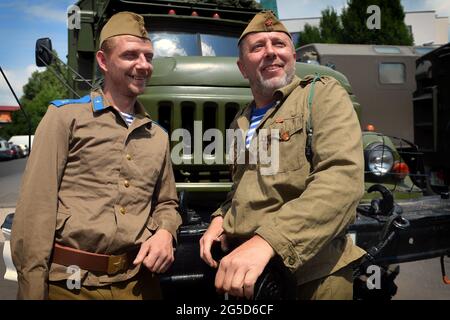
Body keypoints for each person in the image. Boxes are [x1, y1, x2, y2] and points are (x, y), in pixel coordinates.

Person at [11, 11, 182, 300]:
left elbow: (166, 202)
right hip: (71, 286)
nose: (143, 65)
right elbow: (35, 211)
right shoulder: (65, 118)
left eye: (148, 56)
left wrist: (166, 231)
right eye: (130, 55)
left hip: (139, 285)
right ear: (103, 61)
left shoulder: (158, 135)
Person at [199, 11, 365, 300]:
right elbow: (244, 188)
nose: (271, 52)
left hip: (313, 277)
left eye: (279, 44)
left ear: (292, 54)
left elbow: (341, 180)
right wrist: (221, 217)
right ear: (242, 67)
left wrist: (268, 242)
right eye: (258, 47)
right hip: (251, 277)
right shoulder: (240, 120)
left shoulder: (322, 95)